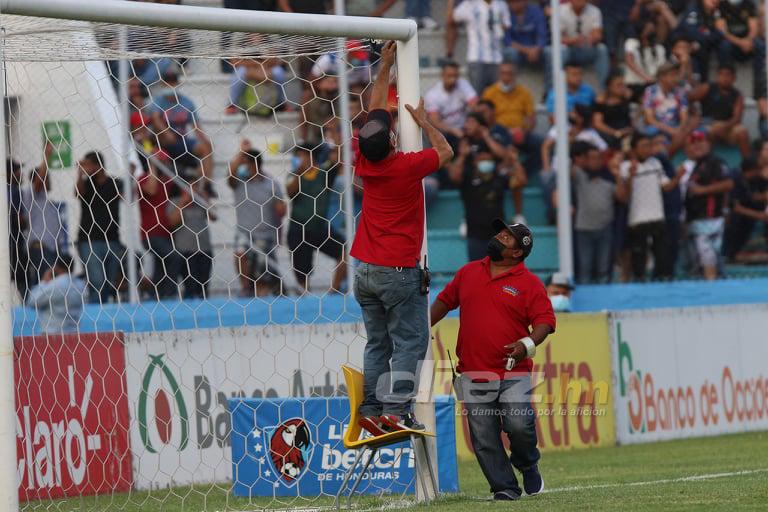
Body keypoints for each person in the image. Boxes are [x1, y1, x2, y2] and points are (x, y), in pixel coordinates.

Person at [352, 41, 453, 434]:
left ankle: (370, 411)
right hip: (397, 269)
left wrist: (385, 65)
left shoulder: (365, 160)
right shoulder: (405, 168)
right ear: (392, 142)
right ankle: (396, 411)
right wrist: (425, 122)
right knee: (411, 343)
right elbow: (447, 151)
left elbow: (376, 107)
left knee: (377, 344)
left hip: (364, 270)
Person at [430, 219, 555, 501]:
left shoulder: (530, 284)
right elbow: (445, 301)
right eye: (500, 232)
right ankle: (505, 487)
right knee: (484, 437)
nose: (499, 236)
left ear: (517, 253)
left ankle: (527, 463)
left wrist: (526, 345)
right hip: (473, 371)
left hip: (513, 372)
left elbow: (545, 322)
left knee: (519, 428)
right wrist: (421, 327)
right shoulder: (468, 272)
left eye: (507, 237)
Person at [447, 132, 525, 261]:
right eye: (481, 160)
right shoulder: (468, 178)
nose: (485, 163)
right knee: (477, 274)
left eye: (488, 160)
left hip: (498, 237)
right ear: (475, 162)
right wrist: (462, 155)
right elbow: (454, 176)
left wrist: (514, 160)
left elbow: (521, 181)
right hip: (475, 235)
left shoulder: (499, 179)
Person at [620, 132, 686, 281]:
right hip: (637, 219)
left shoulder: (655, 164)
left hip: (657, 217)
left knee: (662, 254)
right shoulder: (625, 167)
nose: (647, 150)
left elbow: (666, 187)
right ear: (634, 149)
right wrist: (631, 175)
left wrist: (678, 177)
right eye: (643, 146)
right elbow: (626, 195)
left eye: (649, 146)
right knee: (639, 257)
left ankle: (662, 282)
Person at [228, 140, 286, 297]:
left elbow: (282, 210)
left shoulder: (272, 184)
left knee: (262, 278)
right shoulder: (239, 182)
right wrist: (241, 152)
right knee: (239, 253)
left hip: (265, 234)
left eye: (245, 163)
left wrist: (280, 209)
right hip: (243, 232)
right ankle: (245, 287)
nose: (242, 166)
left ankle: (266, 297)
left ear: (255, 165)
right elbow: (230, 174)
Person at [286, 143, 347, 294]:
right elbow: (290, 193)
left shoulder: (324, 173)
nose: (297, 159)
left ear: (309, 156)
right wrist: (300, 172)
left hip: (319, 228)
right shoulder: (293, 175)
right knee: (301, 274)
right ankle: (304, 300)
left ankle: (334, 291)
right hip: (298, 230)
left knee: (346, 252)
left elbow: (338, 160)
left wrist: (335, 138)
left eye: (300, 155)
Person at [148, 66, 214, 183]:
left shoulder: (187, 102)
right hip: (164, 142)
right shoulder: (158, 100)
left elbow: (196, 126)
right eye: (167, 83)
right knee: (162, 134)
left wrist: (205, 140)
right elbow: (155, 119)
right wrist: (167, 133)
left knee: (206, 147)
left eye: (173, 82)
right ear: (162, 84)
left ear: (177, 84)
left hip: (182, 142)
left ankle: (206, 184)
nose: (170, 86)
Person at [573, 143, 627, 284]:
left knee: (603, 268)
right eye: (591, 158)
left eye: (598, 158)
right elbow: (568, 169)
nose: (595, 161)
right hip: (584, 229)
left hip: (605, 229)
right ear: (585, 159)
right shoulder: (580, 177)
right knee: (585, 267)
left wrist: (618, 175)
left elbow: (622, 197)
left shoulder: (609, 179)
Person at [75, 151, 125, 304]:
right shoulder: (86, 184)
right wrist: (80, 173)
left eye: (89, 165)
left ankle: (105, 311)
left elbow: (126, 196)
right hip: (89, 240)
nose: (86, 168)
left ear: (98, 166)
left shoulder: (116, 183)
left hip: (112, 239)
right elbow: (77, 193)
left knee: (109, 282)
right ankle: (97, 313)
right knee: (97, 281)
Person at [684, 130, 733, 280]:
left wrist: (702, 190)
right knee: (703, 257)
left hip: (710, 217)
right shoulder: (693, 166)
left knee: (707, 254)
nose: (697, 145)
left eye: (701, 141)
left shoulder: (714, 162)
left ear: (709, 144)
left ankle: (712, 287)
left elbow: (728, 183)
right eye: (693, 142)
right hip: (695, 218)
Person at [22, 142, 67, 290]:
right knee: (47, 284)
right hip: (40, 247)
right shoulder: (32, 194)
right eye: (46, 177)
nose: (49, 180)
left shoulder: (46, 202)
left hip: (51, 249)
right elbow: (38, 182)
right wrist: (47, 157)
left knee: (48, 283)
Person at [481, 61, 541, 174]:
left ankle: (524, 172)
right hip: (498, 132)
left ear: (515, 75)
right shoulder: (489, 93)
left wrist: (524, 131)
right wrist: (505, 131)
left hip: (519, 132)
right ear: (499, 75)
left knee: (538, 144)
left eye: (509, 73)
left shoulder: (524, 92)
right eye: (503, 73)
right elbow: (485, 117)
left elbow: (531, 118)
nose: (506, 77)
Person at [136, 155, 179, 300]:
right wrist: (152, 167)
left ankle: (156, 295)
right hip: (150, 234)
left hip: (166, 233)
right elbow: (152, 190)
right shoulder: (143, 178)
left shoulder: (167, 181)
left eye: (166, 162)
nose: (164, 164)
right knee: (174, 257)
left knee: (160, 265)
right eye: (161, 162)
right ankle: (169, 294)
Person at [166, 177, 217, 299]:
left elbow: (214, 216)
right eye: (190, 187)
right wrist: (183, 202)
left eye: (195, 187)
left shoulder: (201, 203)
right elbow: (172, 222)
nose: (193, 190)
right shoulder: (174, 201)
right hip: (186, 252)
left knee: (203, 289)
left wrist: (205, 199)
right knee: (191, 288)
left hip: (205, 250)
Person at [688, 63, 750, 158]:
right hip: (707, 123)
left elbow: (737, 118)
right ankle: (707, 162)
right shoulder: (707, 87)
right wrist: (694, 114)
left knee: (742, 132)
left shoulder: (738, 95)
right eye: (721, 74)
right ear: (717, 76)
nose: (724, 78)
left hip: (727, 127)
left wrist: (725, 125)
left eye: (728, 75)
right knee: (710, 130)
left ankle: (748, 165)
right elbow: (689, 98)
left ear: (734, 78)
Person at [451, 0, 511, 94]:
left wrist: (496, 26)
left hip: (497, 58)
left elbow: (507, 24)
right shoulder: (470, 4)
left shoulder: (501, 4)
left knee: (498, 96)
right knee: (477, 95)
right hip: (476, 57)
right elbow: (454, 18)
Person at [551, 0, 609, 90]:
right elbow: (557, 38)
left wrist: (590, 39)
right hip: (567, 49)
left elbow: (597, 34)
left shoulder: (595, 11)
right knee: (560, 51)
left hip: (585, 49)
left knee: (602, 49)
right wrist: (572, 41)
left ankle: (604, 90)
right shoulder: (560, 10)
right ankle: (554, 90)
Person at [26, 254, 86, 334]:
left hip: (52, 334)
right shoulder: (80, 285)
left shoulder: (55, 285)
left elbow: (32, 301)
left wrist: (44, 282)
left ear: (56, 267)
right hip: (73, 334)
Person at [723, 157, 768, 261]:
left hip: (747, 210)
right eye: (759, 169)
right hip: (730, 214)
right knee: (736, 221)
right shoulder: (734, 178)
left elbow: (752, 196)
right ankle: (728, 254)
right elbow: (735, 207)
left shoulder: (754, 180)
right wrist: (760, 216)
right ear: (752, 170)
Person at [642, 61, 691, 154]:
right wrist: (670, 130)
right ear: (662, 77)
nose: (676, 78)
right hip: (657, 128)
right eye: (672, 75)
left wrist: (679, 130)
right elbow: (650, 119)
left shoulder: (680, 91)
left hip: (676, 126)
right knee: (650, 133)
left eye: (676, 75)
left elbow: (684, 116)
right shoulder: (650, 91)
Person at [425, 61, 478, 140]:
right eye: (449, 76)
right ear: (442, 76)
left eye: (455, 76)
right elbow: (434, 121)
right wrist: (453, 130)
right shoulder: (433, 95)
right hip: (445, 131)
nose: (453, 79)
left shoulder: (462, 84)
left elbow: (475, 104)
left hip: (464, 126)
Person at [623, 20, 667, 101]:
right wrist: (646, 77)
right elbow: (629, 60)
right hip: (634, 84)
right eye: (649, 29)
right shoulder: (631, 43)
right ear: (641, 32)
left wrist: (653, 80)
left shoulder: (659, 48)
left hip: (653, 84)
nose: (652, 31)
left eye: (653, 29)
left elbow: (662, 68)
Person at [593, 73, 634, 149]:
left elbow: (630, 119)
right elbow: (597, 123)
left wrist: (630, 130)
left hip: (627, 132)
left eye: (623, 85)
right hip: (609, 134)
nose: (622, 88)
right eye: (618, 85)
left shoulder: (625, 100)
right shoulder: (601, 103)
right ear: (609, 87)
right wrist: (616, 133)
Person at [503, 0, 548, 70]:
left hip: (536, 51)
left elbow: (542, 36)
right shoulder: (506, 14)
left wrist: (536, 49)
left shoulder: (536, 11)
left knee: (549, 52)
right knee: (510, 52)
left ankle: (550, 81)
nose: (513, 4)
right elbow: (507, 40)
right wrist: (526, 51)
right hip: (519, 51)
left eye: (516, 1)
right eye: (510, 2)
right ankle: (512, 79)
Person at [8, 158, 28, 299]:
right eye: (17, 171)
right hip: (14, 243)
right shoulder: (14, 191)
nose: (20, 174)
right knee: (23, 281)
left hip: (8, 242)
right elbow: (19, 219)